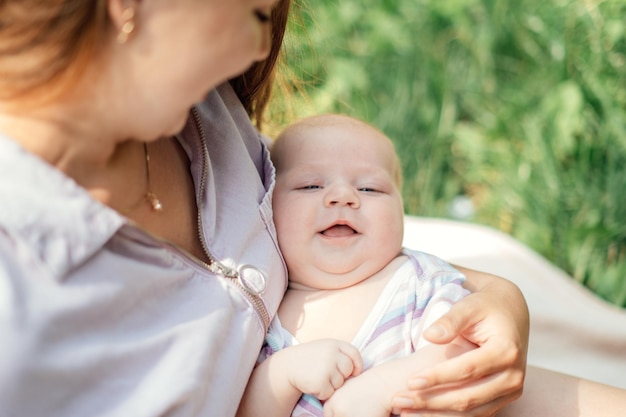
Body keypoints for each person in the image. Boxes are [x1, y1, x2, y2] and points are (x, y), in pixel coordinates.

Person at [0, 1, 532, 416]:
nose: (259, 49)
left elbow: (383, 266)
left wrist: (501, 297)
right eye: (255, 16)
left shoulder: (201, 114)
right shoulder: (21, 282)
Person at [238, 113, 626, 417]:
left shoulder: (417, 282)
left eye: (369, 188)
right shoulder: (262, 308)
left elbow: (466, 355)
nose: (343, 196)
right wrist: (283, 373)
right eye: (311, 186)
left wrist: (386, 385)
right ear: (267, 208)